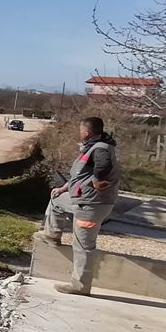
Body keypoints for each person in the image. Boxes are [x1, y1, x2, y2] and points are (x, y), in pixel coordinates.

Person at [37, 116, 121, 295]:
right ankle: (52, 235)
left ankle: (80, 286)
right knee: (56, 200)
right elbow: (80, 177)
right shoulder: (92, 148)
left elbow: (103, 166)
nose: (79, 132)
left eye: (80, 129)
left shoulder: (100, 149)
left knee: (83, 245)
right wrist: (63, 189)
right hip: (84, 200)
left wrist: (98, 181)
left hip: (91, 205)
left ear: (87, 132)